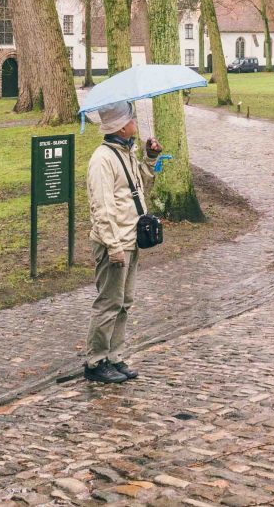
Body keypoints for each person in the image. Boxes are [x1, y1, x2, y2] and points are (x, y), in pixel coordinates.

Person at [84, 100, 161, 385]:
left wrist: (150, 158)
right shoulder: (102, 160)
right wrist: (113, 245)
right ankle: (95, 361)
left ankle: (114, 356)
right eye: (132, 119)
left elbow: (137, 185)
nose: (135, 124)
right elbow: (101, 207)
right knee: (108, 302)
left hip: (131, 239)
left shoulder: (125, 152)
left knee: (124, 302)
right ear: (120, 125)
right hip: (114, 242)